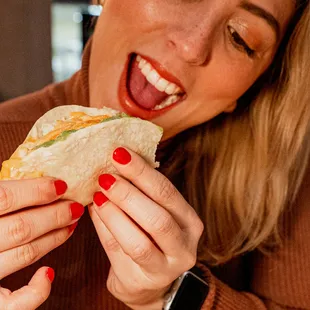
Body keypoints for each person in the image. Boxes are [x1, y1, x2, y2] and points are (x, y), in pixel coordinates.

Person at [0, 0, 309, 309]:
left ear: (250, 87)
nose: (191, 46)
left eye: (240, 38)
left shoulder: (284, 185)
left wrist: (175, 297)